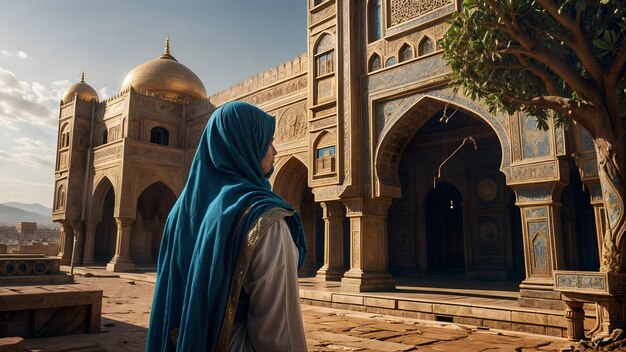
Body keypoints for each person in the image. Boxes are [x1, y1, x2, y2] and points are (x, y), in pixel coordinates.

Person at [146, 101, 308, 351]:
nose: (275, 150)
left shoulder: (179, 213)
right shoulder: (262, 216)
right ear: (244, 143)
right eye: (267, 140)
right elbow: (279, 331)